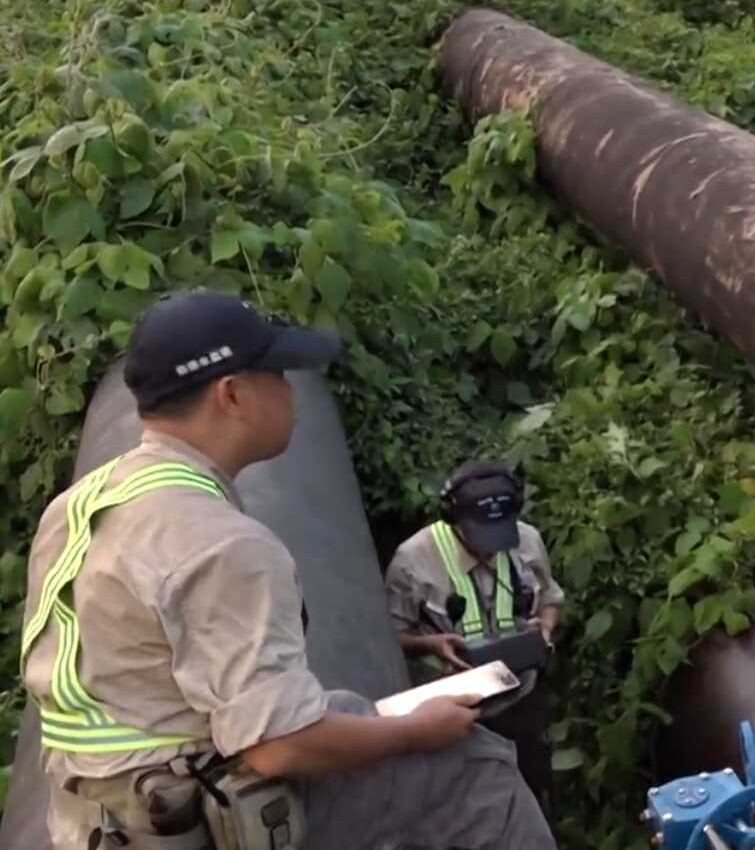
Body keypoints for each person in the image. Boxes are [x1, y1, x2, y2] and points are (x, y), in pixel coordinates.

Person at [20, 290, 556, 850]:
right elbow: (278, 748)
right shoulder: (222, 544)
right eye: (277, 374)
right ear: (232, 395)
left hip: (100, 813)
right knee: (476, 772)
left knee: (348, 708)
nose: (291, 391)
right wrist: (415, 733)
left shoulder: (79, 504)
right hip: (185, 824)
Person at [385, 461, 564, 818]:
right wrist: (432, 645)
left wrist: (544, 630)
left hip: (521, 699)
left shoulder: (527, 540)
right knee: (466, 808)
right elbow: (390, 638)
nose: (490, 549)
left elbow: (551, 601)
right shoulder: (413, 560)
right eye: (481, 536)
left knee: (531, 793)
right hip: (453, 712)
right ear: (453, 520)